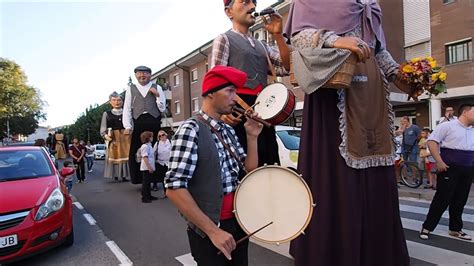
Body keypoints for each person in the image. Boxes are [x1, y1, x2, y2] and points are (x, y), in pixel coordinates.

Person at [284, 0, 409, 265]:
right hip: (335, 92)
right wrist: (337, 41)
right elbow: (299, 38)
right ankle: (336, 252)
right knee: (339, 176)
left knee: (377, 169)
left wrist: (403, 75)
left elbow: (378, 51)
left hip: (372, 95)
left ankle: (376, 253)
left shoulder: (371, 4)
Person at [165, 66, 263, 265]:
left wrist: (252, 137)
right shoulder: (190, 129)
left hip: (238, 222)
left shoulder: (228, 130)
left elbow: (249, 171)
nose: (236, 98)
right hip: (211, 229)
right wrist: (213, 231)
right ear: (210, 93)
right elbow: (174, 188)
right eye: (230, 91)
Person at [211, 0, 290, 167]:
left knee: (269, 163)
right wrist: (221, 110)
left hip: (263, 112)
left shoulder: (263, 46)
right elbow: (215, 79)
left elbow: (286, 67)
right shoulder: (224, 39)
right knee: (242, 168)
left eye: (254, 2)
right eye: (245, 2)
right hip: (237, 112)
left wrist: (278, 35)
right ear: (228, 12)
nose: (253, 7)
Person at [419, 103, 474, 241]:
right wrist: (438, 161)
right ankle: (427, 227)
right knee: (442, 199)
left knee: (460, 199)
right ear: (465, 112)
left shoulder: (472, 130)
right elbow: (432, 141)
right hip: (449, 168)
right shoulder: (448, 126)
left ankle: (455, 229)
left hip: (467, 168)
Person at [123, 66, 166, 184]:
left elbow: (162, 108)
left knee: (157, 151)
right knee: (137, 152)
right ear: (136, 75)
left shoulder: (157, 87)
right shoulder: (131, 88)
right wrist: (127, 126)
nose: (142, 75)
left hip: (154, 122)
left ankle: (157, 180)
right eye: (139, 73)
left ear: (150, 75)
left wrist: (157, 96)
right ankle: (140, 179)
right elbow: (127, 108)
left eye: (145, 73)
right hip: (138, 122)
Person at [100, 91, 131, 182]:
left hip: (125, 137)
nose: (117, 102)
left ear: (122, 101)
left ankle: (125, 175)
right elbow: (103, 127)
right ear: (110, 102)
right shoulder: (107, 114)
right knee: (115, 156)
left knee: (126, 156)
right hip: (113, 137)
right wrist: (105, 136)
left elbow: (131, 124)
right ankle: (117, 175)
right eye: (114, 100)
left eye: (119, 100)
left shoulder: (127, 112)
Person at [138, 131, 157, 203]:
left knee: (148, 182)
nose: (152, 138)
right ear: (148, 138)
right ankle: (144, 197)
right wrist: (149, 167)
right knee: (145, 183)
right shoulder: (145, 146)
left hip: (150, 167)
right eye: (151, 136)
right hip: (146, 168)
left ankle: (149, 195)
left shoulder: (149, 146)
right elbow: (145, 157)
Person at [152, 130, 171, 197]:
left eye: (162, 135)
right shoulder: (157, 144)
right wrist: (154, 161)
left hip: (170, 163)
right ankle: (166, 192)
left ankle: (173, 192)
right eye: (159, 136)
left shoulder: (170, 142)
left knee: (170, 178)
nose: (161, 137)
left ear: (165, 135)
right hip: (161, 163)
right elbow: (153, 153)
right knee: (164, 178)